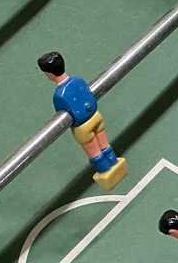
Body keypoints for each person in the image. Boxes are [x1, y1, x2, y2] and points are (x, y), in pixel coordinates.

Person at [37, 50, 126, 189]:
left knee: (95, 153)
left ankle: (106, 173)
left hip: (83, 127)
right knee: (105, 145)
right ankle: (114, 163)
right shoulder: (78, 80)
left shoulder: (59, 95)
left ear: (49, 74)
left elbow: (62, 112)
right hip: (96, 117)